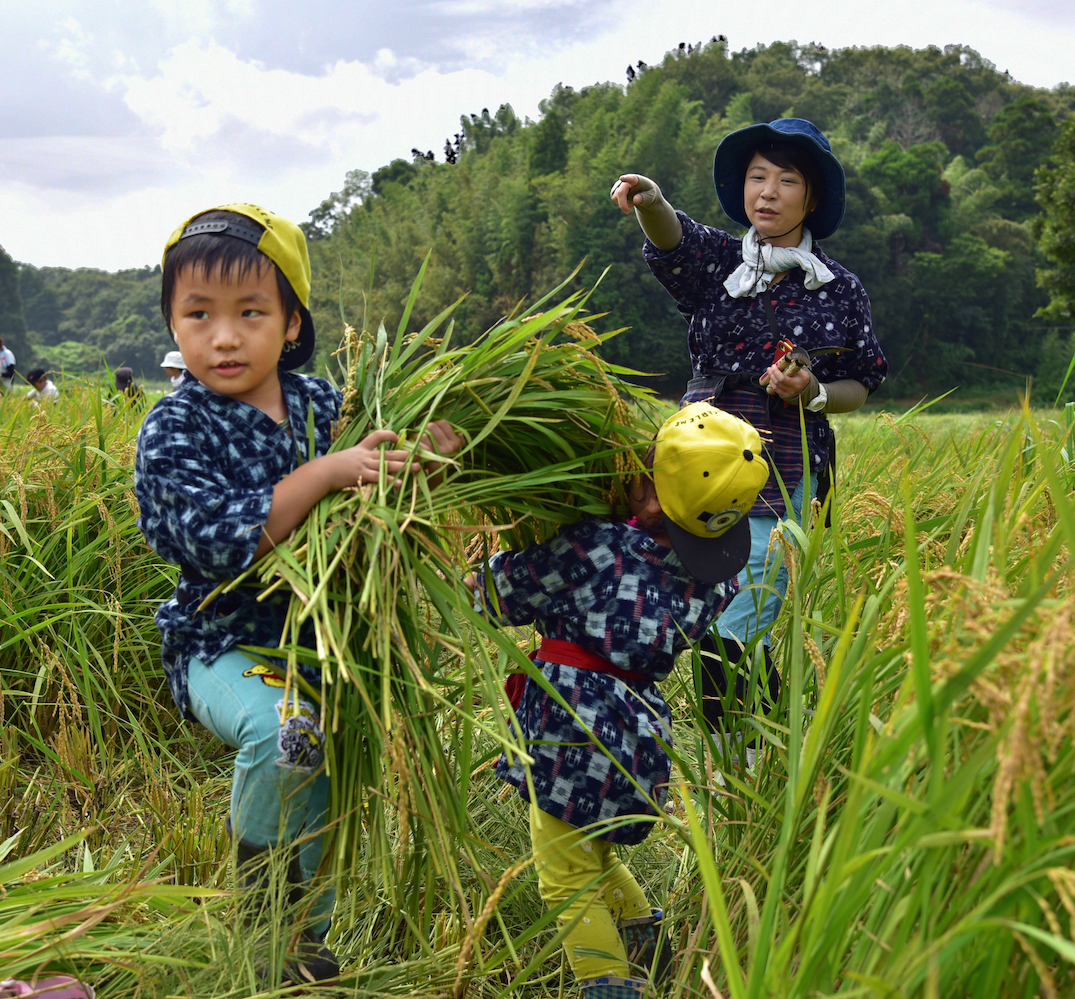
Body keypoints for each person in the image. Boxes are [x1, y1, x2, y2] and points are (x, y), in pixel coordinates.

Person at [133, 204, 460, 988]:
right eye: (198, 314)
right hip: (221, 641)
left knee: (318, 774)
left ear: (291, 324)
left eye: (251, 313)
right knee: (286, 732)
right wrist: (323, 475)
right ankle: (258, 930)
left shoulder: (325, 407)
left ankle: (302, 942)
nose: (223, 337)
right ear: (173, 325)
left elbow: (378, 478)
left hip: (322, 645)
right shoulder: (174, 428)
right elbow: (212, 539)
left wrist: (431, 448)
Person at [610, 117, 887, 758]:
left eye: (786, 180)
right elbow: (673, 239)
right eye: (757, 177)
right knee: (678, 615)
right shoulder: (718, 264)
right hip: (691, 464)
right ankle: (727, 758)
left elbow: (861, 383)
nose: (767, 191)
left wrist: (812, 390)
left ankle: (746, 771)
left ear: (810, 197)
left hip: (781, 470)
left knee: (735, 628)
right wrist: (651, 200)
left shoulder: (839, 288)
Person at [478, 404, 768, 999]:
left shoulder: (595, 549)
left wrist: (535, 540)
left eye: (641, 470)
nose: (629, 470)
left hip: (573, 724)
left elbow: (494, 595)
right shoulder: (719, 578)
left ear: (655, 502)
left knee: (565, 878)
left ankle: (608, 986)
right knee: (595, 852)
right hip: (636, 729)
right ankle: (646, 941)